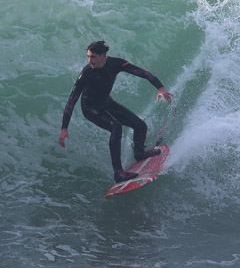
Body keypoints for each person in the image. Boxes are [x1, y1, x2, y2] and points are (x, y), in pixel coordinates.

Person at [58, 40, 173, 182]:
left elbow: (143, 73)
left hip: (107, 103)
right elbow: (71, 101)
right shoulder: (87, 73)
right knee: (116, 127)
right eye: (88, 56)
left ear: (103, 56)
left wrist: (160, 88)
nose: (89, 60)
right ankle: (118, 172)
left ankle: (139, 152)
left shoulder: (116, 64)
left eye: (93, 57)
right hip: (90, 108)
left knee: (140, 126)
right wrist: (64, 128)